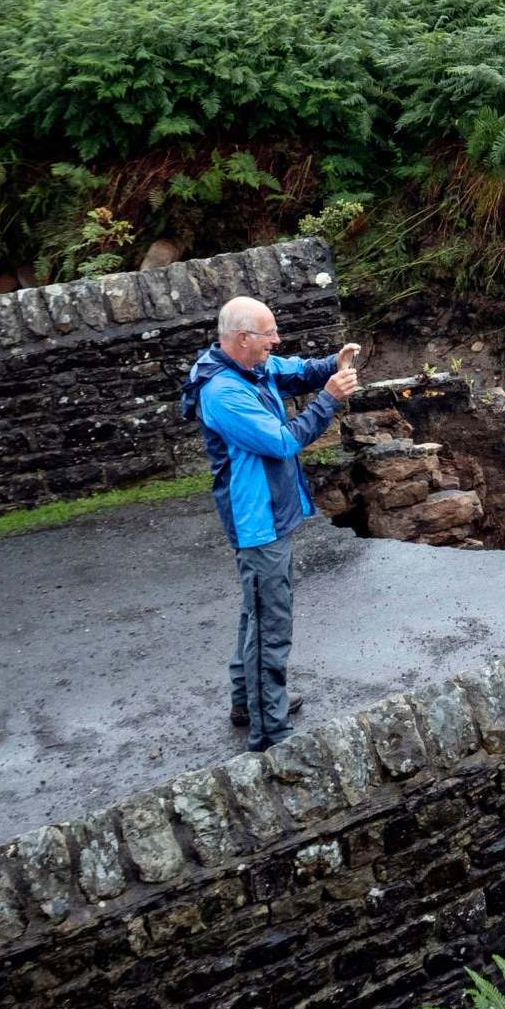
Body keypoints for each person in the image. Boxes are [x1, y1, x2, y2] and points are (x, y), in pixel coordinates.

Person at [179, 298, 361, 752]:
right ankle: (271, 733)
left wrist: (329, 366)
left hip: (267, 515)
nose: (276, 341)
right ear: (243, 339)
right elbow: (282, 442)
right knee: (270, 625)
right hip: (256, 520)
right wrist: (330, 398)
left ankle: (248, 704)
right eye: (269, 334)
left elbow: (293, 370)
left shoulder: (251, 367)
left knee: (255, 611)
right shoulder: (224, 393)